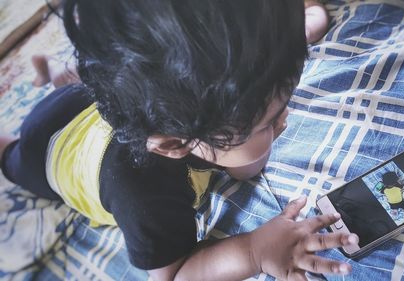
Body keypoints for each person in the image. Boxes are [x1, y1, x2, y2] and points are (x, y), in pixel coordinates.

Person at [1, 1, 357, 280]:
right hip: (47, 145)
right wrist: (253, 252)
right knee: (11, 158)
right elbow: (174, 274)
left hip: (89, 101)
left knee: (122, 72)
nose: (284, 118)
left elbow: (241, 166)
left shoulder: (200, 106)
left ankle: (60, 72)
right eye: (267, 123)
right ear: (174, 145)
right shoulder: (143, 197)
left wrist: (258, 137)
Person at [31, 1, 330, 88]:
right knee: (125, 67)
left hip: (220, 48)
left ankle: (59, 69)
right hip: (185, 41)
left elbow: (313, 15)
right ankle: (62, 68)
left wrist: (296, 32)